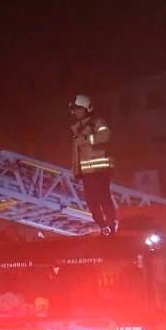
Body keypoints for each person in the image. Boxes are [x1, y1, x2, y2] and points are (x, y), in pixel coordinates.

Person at [69, 93, 117, 234]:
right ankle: (103, 226)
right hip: (87, 172)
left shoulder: (98, 122)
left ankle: (112, 223)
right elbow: (76, 152)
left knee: (103, 197)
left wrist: (86, 138)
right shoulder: (76, 128)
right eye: (74, 109)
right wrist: (75, 170)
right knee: (91, 202)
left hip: (100, 170)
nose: (76, 112)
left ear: (87, 108)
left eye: (79, 109)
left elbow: (106, 135)